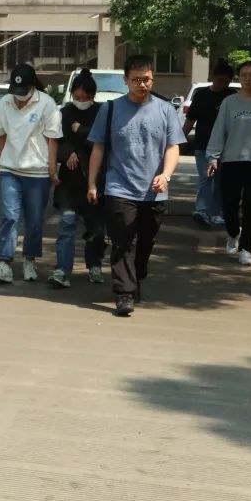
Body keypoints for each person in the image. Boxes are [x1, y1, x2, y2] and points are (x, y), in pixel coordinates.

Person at [87, 55, 184, 317]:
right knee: (123, 241)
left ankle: (137, 275)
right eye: (136, 80)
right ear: (126, 80)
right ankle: (124, 293)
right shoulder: (110, 109)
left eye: (147, 79)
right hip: (119, 187)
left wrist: (166, 175)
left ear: (153, 79)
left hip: (154, 190)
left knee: (146, 241)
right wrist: (92, 183)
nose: (142, 84)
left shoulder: (165, 110)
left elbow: (173, 147)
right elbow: (98, 148)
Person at [0, 64, 62, 284]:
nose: (19, 97)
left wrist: (52, 170)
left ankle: (30, 258)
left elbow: (53, 139)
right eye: (16, 91)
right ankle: (4, 263)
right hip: (10, 169)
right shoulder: (5, 102)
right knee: (9, 216)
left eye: (24, 92)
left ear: (32, 86)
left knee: (34, 220)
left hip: (38, 173)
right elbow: (0, 135)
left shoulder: (47, 103)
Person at [206, 60, 251, 266]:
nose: (248, 78)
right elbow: (219, 129)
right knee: (229, 205)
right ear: (239, 77)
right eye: (244, 75)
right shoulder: (229, 102)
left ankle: (246, 249)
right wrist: (213, 156)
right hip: (231, 161)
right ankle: (233, 233)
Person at [49, 69, 105, 288]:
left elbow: (99, 142)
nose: (80, 102)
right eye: (77, 97)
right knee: (67, 223)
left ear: (92, 96)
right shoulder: (65, 112)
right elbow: (57, 140)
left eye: (85, 98)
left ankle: (95, 265)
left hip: (93, 180)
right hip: (69, 181)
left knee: (96, 227)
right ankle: (62, 269)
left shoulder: (101, 112)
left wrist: (81, 130)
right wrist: (67, 153)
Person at [185, 60, 236, 227]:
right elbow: (190, 120)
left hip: (227, 147)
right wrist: (179, 140)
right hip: (203, 145)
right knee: (206, 178)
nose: (223, 84)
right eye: (220, 80)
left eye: (226, 81)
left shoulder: (232, 96)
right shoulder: (201, 95)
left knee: (221, 181)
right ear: (213, 77)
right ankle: (202, 211)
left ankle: (217, 213)